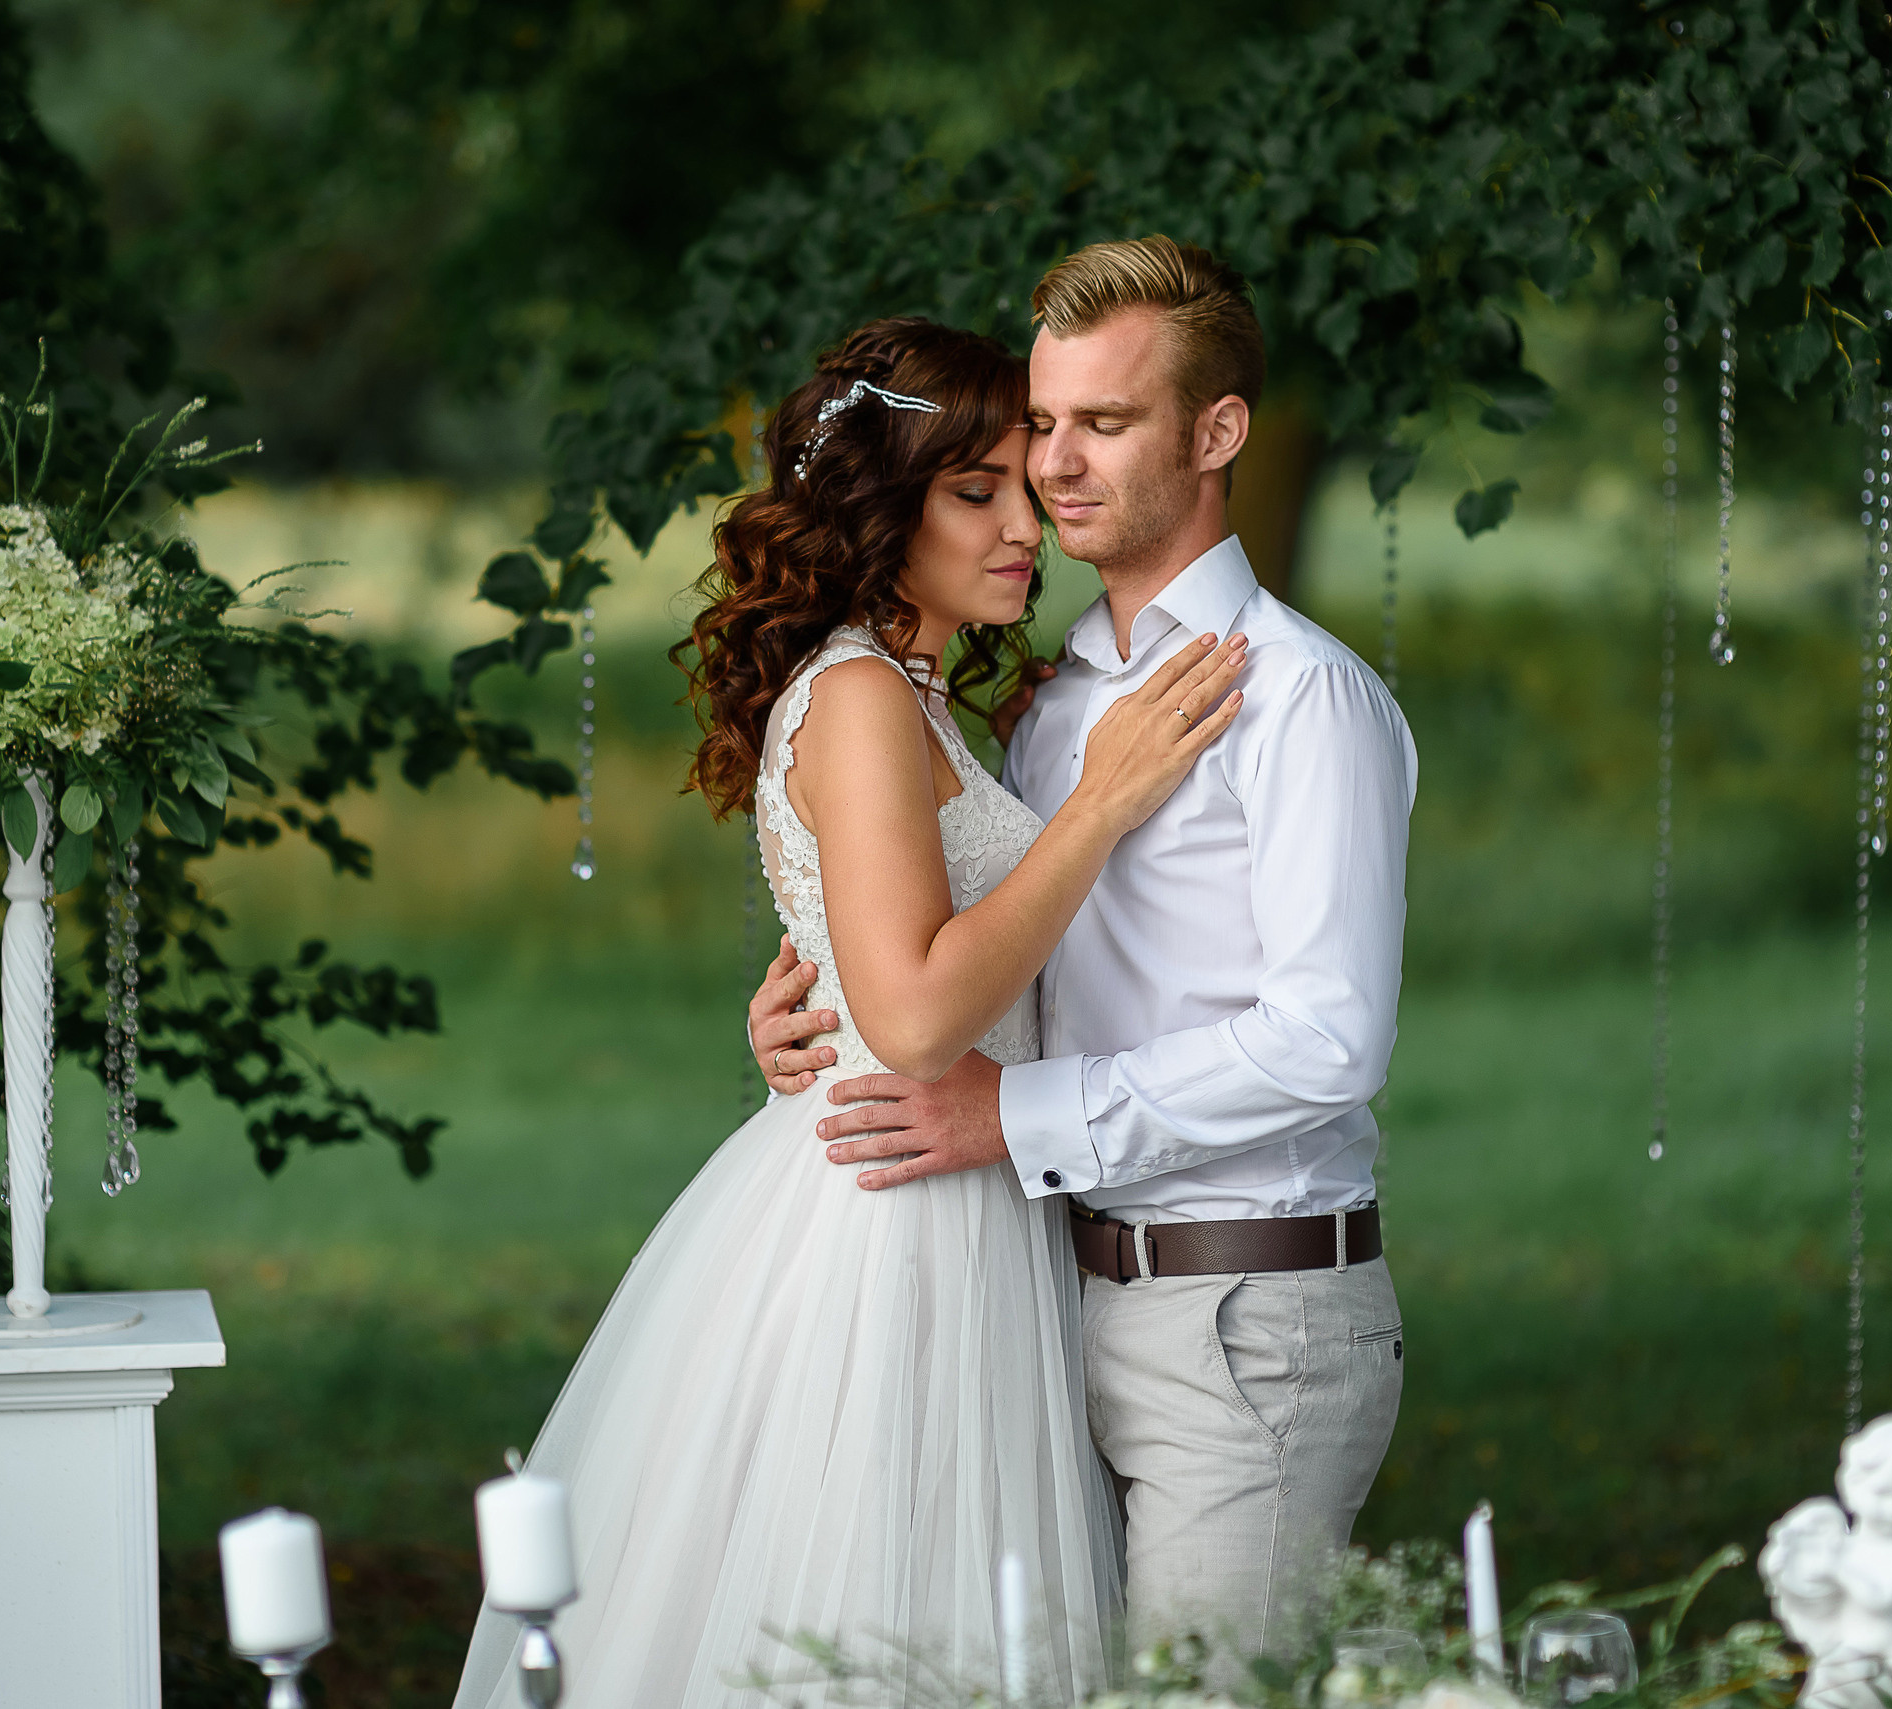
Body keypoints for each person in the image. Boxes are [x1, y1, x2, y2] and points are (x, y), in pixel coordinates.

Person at [450, 315, 1247, 1708]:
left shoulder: (914, 691)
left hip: (949, 1184)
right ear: (885, 505)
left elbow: (876, 948)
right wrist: (1107, 800)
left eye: (1026, 486)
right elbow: (924, 1010)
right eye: (975, 490)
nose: (1024, 528)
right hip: (895, 1224)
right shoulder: (867, 692)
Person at [750, 237, 1415, 1668]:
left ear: (1217, 431)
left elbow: (1329, 1037)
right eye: (1040, 425)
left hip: (1249, 1318)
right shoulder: (1057, 709)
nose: (1055, 466)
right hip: (1045, 1300)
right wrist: (829, 1000)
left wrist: (1009, 1113)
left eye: (1102, 423)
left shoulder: (1305, 701)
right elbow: (993, 955)